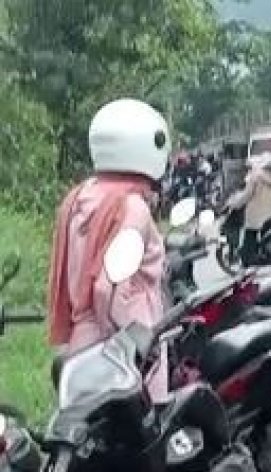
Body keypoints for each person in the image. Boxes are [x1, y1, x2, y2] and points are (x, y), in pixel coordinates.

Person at [47, 98, 171, 403]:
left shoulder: (78, 201)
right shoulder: (131, 209)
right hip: (121, 354)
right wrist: (133, 348)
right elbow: (109, 288)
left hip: (81, 350)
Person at [224, 155, 271, 267]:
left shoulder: (255, 177)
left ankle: (249, 263)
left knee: (248, 243)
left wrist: (232, 203)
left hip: (256, 218)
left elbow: (246, 196)